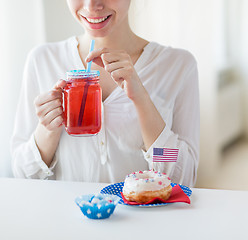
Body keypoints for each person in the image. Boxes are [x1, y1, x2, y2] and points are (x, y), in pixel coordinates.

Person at [11, 0, 199, 187]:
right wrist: (48, 130)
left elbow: (185, 176)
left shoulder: (178, 65)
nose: (92, 5)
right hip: (66, 215)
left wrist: (142, 100)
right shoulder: (42, 60)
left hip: (144, 216)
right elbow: (22, 174)